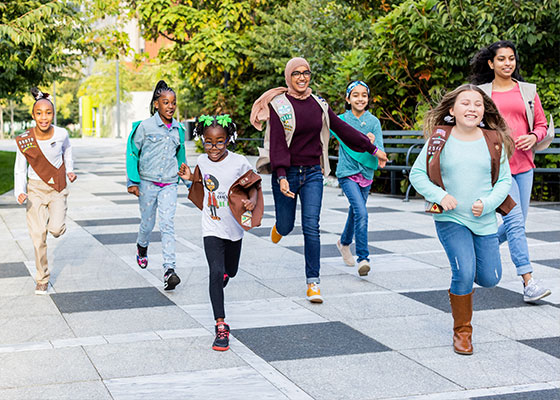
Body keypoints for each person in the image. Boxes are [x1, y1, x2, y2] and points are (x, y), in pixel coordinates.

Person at [250, 57, 387, 303]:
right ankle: (279, 227)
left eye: (306, 73)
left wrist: (372, 149)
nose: (302, 78)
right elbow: (277, 144)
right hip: (288, 173)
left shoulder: (319, 105)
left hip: (313, 172)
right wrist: (281, 175)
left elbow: (344, 131)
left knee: (311, 227)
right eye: (296, 74)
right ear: (288, 77)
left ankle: (313, 282)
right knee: (287, 225)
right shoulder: (279, 105)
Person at [410, 84, 514, 355]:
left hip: (485, 219)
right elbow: (417, 174)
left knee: (490, 278)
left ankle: (495, 238)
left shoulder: (493, 140)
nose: (472, 108)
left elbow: (504, 180)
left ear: (484, 110)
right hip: (451, 219)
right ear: (452, 110)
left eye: (478, 104)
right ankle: (463, 332)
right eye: (465, 103)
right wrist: (440, 195)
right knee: (464, 273)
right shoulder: (439, 138)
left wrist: (489, 203)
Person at [470, 40, 552, 302]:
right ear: (491, 63)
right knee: (515, 223)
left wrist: (532, 137)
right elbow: (471, 124)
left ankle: (479, 247)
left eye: (512, 58)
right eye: (502, 59)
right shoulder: (481, 93)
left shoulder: (527, 91)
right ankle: (528, 282)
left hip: (525, 165)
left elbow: (541, 124)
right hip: (498, 168)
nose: (508, 63)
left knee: (517, 223)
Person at [179, 114, 263, 352]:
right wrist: (189, 177)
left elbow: (254, 184)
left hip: (234, 227)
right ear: (202, 141)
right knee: (215, 272)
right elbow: (200, 182)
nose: (213, 148)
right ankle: (221, 326)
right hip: (211, 226)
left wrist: (252, 201)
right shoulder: (203, 162)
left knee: (231, 271)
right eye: (208, 142)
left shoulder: (239, 162)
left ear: (228, 140)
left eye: (219, 142)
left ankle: (225, 276)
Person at [14, 88, 77, 295]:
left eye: (48, 113)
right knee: (37, 236)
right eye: (39, 113)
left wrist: (70, 170)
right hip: (35, 189)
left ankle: (54, 224)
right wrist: (20, 191)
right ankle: (42, 278)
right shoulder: (25, 140)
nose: (44, 117)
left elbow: (67, 150)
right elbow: (20, 168)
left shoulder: (61, 134)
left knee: (56, 229)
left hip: (57, 188)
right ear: (33, 116)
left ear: (53, 114)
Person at [126, 80, 185, 291]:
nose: (170, 106)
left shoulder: (179, 129)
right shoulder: (145, 127)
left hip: (169, 183)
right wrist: (132, 181)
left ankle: (169, 270)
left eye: (173, 102)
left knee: (167, 224)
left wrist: (187, 180)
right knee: (148, 224)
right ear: (156, 104)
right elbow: (133, 153)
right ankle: (142, 247)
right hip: (148, 182)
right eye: (165, 102)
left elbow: (181, 157)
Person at [333, 81, 385, 276]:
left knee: (355, 212)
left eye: (364, 95)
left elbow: (379, 148)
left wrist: (376, 149)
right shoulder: (340, 120)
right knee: (361, 212)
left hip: (366, 173)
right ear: (348, 99)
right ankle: (363, 257)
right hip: (347, 172)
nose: (360, 99)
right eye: (355, 95)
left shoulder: (373, 122)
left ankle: (344, 242)